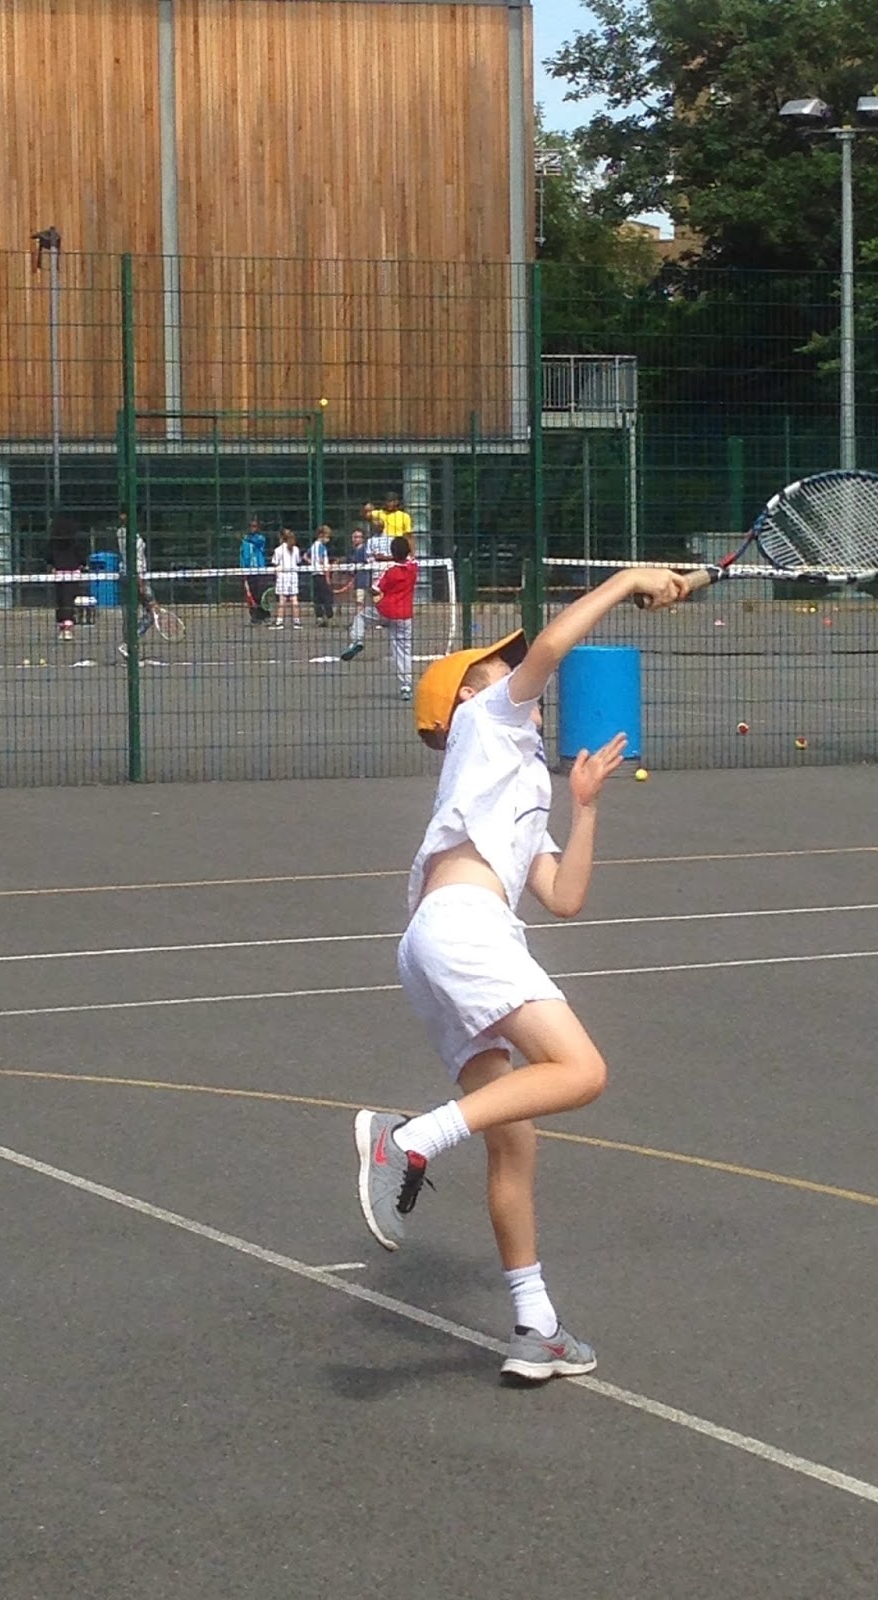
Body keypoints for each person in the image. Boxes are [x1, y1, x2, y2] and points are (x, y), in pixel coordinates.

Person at [352, 563, 686, 1382]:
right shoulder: (489, 725)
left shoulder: (515, 779)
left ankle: (535, 1327)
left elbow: (564, 898)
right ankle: (409, 1138)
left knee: (515, 1143)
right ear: (466, 697)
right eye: (494, 665)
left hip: (439, 942)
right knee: (582, 1071)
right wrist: (627, 580)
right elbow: (558, 642)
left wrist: (587, 807)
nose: (510, 666)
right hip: (464, 931)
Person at [339, 535, 417, 698]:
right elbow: (410, 556)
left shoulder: (390, 572)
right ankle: (406, 686)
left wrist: (370, 589)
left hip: (385, 610)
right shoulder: (413, 568)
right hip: (405, 614)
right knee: (403, 650)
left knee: (361, 617)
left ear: (392, 552)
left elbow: (375, 589)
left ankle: (357, 640)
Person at [116, 506, 161, 637]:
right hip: (135, 576)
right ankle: (132, 639)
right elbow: (134, 560)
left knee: (130, 612)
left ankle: (129, 641)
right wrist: (141, 584)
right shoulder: (127, 535)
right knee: (152, 611)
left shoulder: (124, 532)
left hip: (129, 574)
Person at [49, 516, 88, 642]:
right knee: (68, 600)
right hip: (73, 572)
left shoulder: (53, 543)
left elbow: (47, 556)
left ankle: (63, 625)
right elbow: (82, 556)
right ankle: (67, 627)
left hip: (59, 572)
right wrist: (82, 564)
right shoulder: (75, 542)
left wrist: (53, 564)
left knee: (61, 599)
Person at [240, 516, 271, 623]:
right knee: (251, 594)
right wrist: (243, 569)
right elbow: (243, 556)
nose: (252, 528)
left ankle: (264, 614)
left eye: (254, 526)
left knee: (261, 593)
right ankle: (254, 616)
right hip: (249, 571)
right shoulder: (244, 543)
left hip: (259, 570)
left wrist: (246, 538)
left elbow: (258, 542)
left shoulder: (260, 538)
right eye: (250, 526)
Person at [270, 527, 302, 628]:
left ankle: (279, 622)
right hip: (293, 576)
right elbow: (298, 561)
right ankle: (297, 622)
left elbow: (275, 563)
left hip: (283, 577)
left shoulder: (278, 550)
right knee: (294, 599)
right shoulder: (296, 549)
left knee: (282, 600)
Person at [307, 524, 335, 626]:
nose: (328, 539)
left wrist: (312, 563)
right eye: (327, 537)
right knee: (326, 596)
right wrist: (327, 575)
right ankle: (329, 616)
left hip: (314, 573)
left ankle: (319, 617)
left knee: (317, 597)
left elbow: (306, 556)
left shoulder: (313, 546)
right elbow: (323, 561)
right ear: (321, 535)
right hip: (322, 573)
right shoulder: (322, 547)